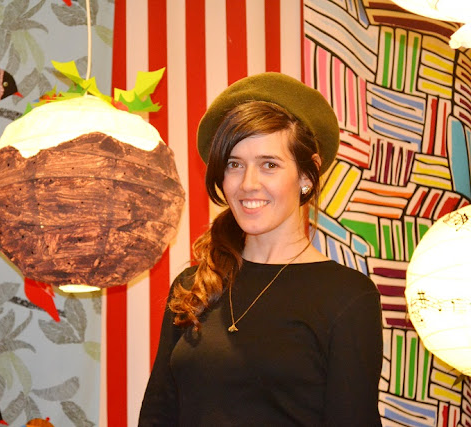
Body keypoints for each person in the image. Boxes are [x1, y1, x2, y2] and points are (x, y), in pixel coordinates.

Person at [138, 73, 383, 426]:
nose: (248, 184)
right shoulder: (193, 286)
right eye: (234, 164)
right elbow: (157, 414)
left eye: (269, 164)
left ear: (307, 175)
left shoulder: (347, 297)